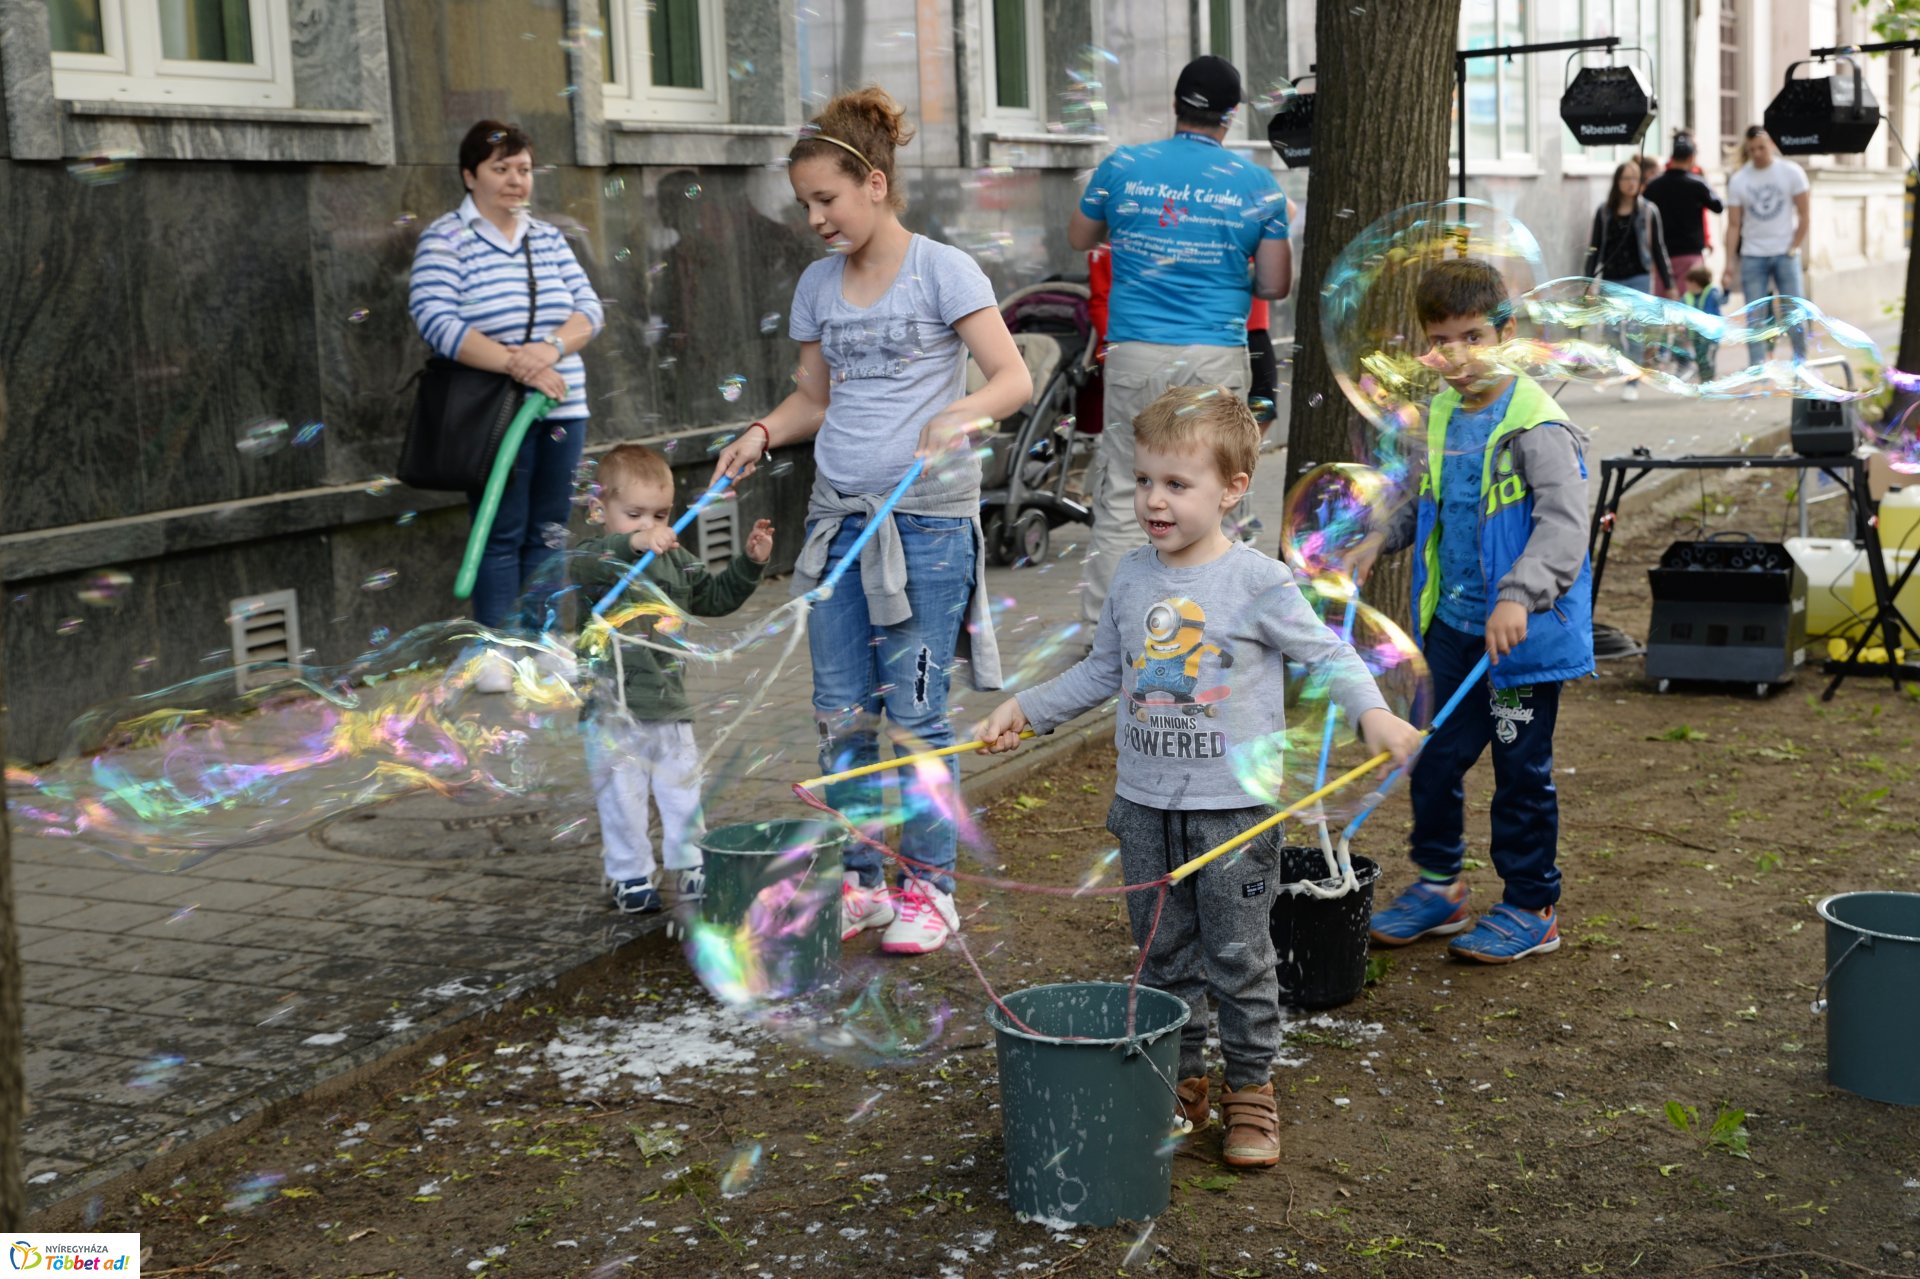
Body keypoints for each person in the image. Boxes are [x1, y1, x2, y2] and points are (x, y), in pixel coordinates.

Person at [977, 386, 1422, 1168]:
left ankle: (1251, 1087)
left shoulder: (1258, 581)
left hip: (1235, 812)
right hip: (1144, 809)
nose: (1154, 499)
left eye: (1177, 484)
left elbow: (1329, 654)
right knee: (1161, 954)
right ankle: (1180, 1079)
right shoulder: (1130, 577)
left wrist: (1373, 716)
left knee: (1240, 957)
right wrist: (1026, 707)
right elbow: (1101, 673)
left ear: (1231, 489)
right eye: (1143, 480)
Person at [708, 88, 1032, 956]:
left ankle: (932, 887)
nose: (815, 219)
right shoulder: (818, 285)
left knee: (916, 713)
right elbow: (814, 397)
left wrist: (959, 415)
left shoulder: (943, 270)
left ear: (875, 183)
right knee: (840, 712)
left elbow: (1011, 379)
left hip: (924, 528)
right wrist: (762, 431)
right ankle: (864, 879)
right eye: (805, 203)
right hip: (836, 525)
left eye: (827, 199)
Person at [1365, 259, 1595, 965]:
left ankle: (1532, 904)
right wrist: (1379, 535)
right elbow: (1428, 499)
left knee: (1521, 772)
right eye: (1441, 340)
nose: (1456, 356)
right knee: (1432, 759)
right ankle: (1440, 887)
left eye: (1473, 337)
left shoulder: (1537, 425)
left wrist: (1518, 594)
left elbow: (1564, 525)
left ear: (1507, 332)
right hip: (1455, 629)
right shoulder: (1438, 412)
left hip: (1521, 638)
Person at [1069, 54, 1291, 625]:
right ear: (1232, 115)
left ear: (1175, 104)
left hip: (1134, 349)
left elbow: (1079, 236)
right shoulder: (1256, 185)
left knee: (1125, 487)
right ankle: (1209, 622)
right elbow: (1274, 283)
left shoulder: (1123, 166)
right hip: (1214, 354)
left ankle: (1108, 634)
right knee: (1210, 488)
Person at [410, 120, 604, 691]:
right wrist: (515, 364)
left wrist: (544, 351)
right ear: (470, 175)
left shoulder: (547, 237)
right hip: (491, 408)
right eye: (501, 169)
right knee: (500, 525)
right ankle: (493, 647)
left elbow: (590, 310)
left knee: (547, 529)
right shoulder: (446, 238)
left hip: (563, 407)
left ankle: (544, 639)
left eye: (523, 169)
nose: (516, 181)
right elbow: (435, 319)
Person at [573, 445, 774, 914]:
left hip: (668, 703)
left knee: (683, 792)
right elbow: (584, 564)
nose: (650, 525)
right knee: (621, 799)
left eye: (660, 514)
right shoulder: (598, 557)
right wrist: (634, 544)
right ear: (599, 511)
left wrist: (749, 564)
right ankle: (630, 875)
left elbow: (714, 597)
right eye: (634, 514)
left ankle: (691, 868)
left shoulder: (677, 559)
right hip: (612, 708)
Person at [1582, 160, 1672, 399]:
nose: (1631, 183)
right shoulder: (1604, 212)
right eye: (1626, 178)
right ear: (1617, 182)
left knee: (1634, 331)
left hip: (1639, 277)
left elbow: (1658, 249)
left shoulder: (1648, 211)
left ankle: (1632, 381)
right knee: (1611, 331)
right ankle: (1624, 369)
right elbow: (1594, 248)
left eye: (1635, 178)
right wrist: (1589, 281)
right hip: (1611, 279)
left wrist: (1668, 282)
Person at [1724, 125, 1811, 367]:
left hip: (1785, 253)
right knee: (1755, 317)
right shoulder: (1740, 179)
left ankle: (1800, 364)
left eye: (1761, 147)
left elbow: (1805, 214)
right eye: (1752, 149)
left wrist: (1794, 246)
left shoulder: (1791, 172)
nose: (1758, 153)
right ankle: (1757, 368)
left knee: (1794, 312)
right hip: (1753, 255)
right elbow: (1733, 225)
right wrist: (1729, 263)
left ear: (1771, 144)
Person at [1642, 133, 1723, 301]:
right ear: (1692, 158)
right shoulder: (1697, 184)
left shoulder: (1653, 185)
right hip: (1690, 255)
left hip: (1662, 257)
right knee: (1690, 307)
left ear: (1672, 157)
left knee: (1664, 310)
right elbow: (1718, 206)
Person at [1680, 264, 1725, 378]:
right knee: (1700, 359)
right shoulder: (1686, 297)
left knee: (1708, 358)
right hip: (1696, 336)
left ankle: (1708, 380)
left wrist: (1727, 289)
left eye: (1688, 283)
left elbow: (1722, 301)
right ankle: (1704, 381)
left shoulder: (1712, 293)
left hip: (1710, 336)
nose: (1686, 286)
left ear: (1694, 283)